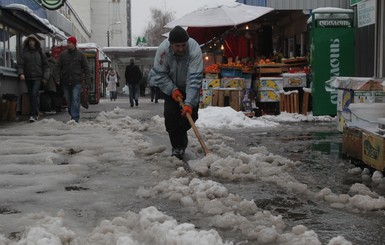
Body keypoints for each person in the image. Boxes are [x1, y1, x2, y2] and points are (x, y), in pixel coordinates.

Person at [152, 26, 203, 160]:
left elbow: (194, 77)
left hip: (189, 87)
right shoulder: (163, 51)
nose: (181, 49)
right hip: (170, 86)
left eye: (183, 45)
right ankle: (177, 147)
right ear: (171, 44)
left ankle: (181, 137)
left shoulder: (194, 49)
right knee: (170, 117)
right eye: (177, 46)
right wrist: (172, 89)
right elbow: (159, 74)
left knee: (189, 117)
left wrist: (189, 103)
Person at [55, 36, 90, 123]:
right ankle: (72, 113)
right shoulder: (63, 54)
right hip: (66, 80)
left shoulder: (80, 54)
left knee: (75, 98)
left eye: (70, 43)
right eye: (68, 42)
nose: (68, 44)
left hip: (76, 81)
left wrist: (87, 81)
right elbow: (58, 67)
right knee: (68, 100)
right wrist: (57, 78)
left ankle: (75, 118)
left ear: (74, 44)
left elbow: (86, 68)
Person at [18, 34, 50, 122]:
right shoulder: (24, 52)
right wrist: (21, 73)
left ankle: (33, 115)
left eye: (33, 41)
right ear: (28, 42)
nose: (31, 42)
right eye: (30, 41)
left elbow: (46, 66)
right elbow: (20, 65)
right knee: (32, 96)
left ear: (36, 42)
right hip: (28, 77)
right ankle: (36, 112)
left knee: (34, 93)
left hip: (38, 77)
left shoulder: (40, 52)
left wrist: (45, 78)